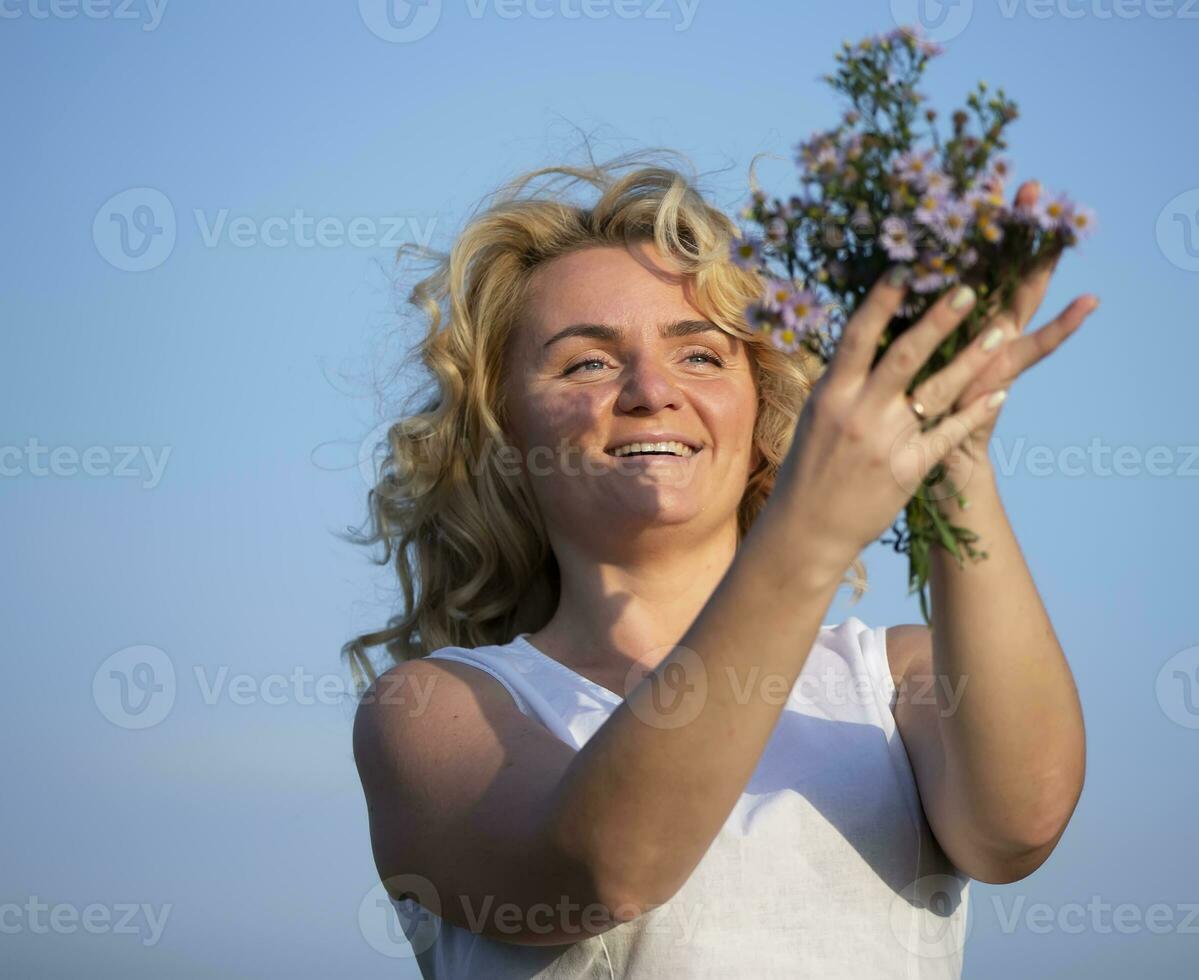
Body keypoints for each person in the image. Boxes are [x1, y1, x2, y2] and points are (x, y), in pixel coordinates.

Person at [346, 151, 1091, 977]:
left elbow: (1020, 823)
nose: (650, 389)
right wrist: (809, 539)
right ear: (507, 435)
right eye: (587, 361)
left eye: (700, 355)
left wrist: (956, 448)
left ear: (759, 406)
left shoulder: (898, 676)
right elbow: (604, 869)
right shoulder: (436, 710)